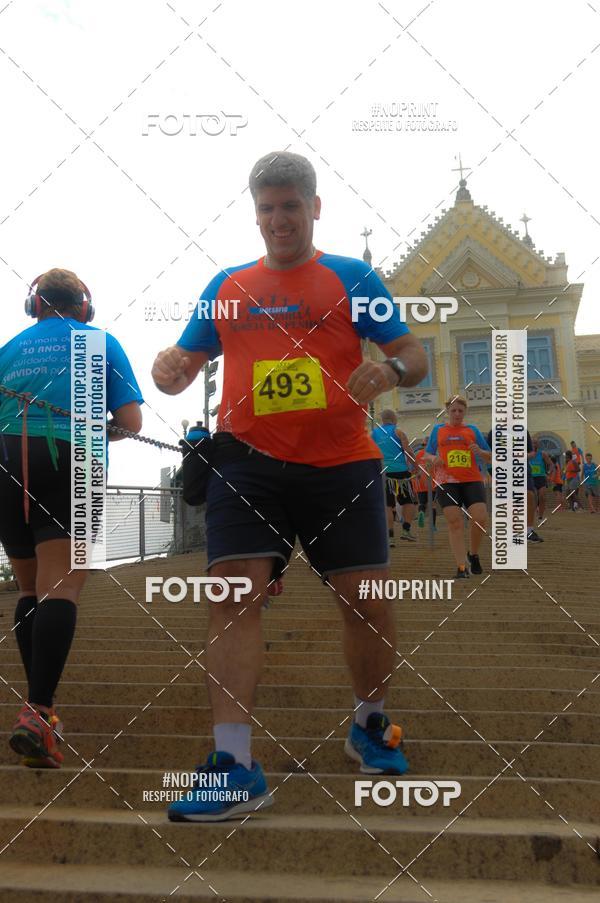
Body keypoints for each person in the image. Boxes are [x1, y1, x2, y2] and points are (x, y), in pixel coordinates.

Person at [151, 151, 428, 821]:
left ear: (314, 208)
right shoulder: (228, 285)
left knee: (365, 598)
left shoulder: (351, 276)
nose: (279, 219)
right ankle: (235, 761)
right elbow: (181, 366)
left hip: (341, 464)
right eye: (268, 208)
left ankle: (370, 724)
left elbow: (414, 354)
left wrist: (389, 369)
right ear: (256, 214)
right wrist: (169, 366)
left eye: (291, 206)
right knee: (233, 591)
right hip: (247, 464)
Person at [0, 268, 143, 768]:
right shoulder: (99, 342)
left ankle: (40, 711)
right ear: (85, 306)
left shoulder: (10, 348)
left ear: (34, 305)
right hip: (73, 458)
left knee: (30, 590)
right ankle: (38, 713)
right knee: (62, 584)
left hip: (5, 459)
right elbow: (131, 423)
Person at [425, 396, 491, 578]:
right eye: (453, 410)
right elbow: (426, 454)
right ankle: (462, 567)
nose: (457, 414)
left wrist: (481, 452)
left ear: (465, 412)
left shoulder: (472, 430)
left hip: (471, 479)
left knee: (480, 518)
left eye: (460, 410)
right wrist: (433, 459)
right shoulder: (438, 430)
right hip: (447, 481)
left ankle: (474, 554)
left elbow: (491, 455)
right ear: (447, 411)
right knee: (455, 522)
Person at [371, 410, 417, 546]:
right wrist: (416, 466)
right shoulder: (399, 432)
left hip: (383, 473)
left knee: (387, 505)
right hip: (401, 472)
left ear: (382, 420)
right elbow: (408, 450)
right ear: (394, 419)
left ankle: (390, 537)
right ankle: (406, 530)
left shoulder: (373, 434)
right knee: (409, 501)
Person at [529, 439, 553, 524]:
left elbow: (550, 464)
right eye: (532, 443)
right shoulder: (527, 454)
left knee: (542, 497)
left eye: (536, 443)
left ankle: (540, 517)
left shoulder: (542, 454)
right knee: (533, 497)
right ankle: (532, 514)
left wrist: (549, 473)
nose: (534, 444)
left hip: (541, 477)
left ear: (538, 445)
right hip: (530, 478)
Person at [414, 442, 436, 531]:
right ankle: (432, 526)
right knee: (432, 505)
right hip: (432, 483)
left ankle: (421, 512)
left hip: (420, 484)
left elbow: (413, 469)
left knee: (422, 503)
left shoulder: (417, 455)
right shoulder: (433, 455)